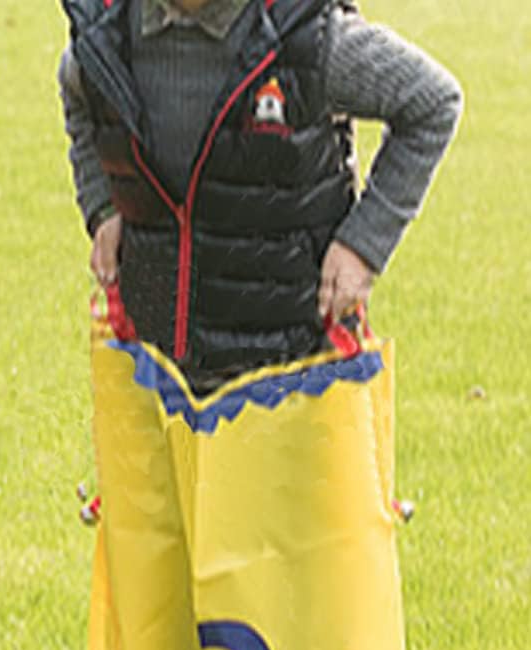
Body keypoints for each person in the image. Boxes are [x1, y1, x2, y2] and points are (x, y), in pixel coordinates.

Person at [57, 0, 462, 389]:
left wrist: (363, 246)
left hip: (294, 366)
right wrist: (102, 204)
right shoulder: (107, 33)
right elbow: (79, 95)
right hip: (155, 364)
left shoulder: (310, 38)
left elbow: (432, 103)